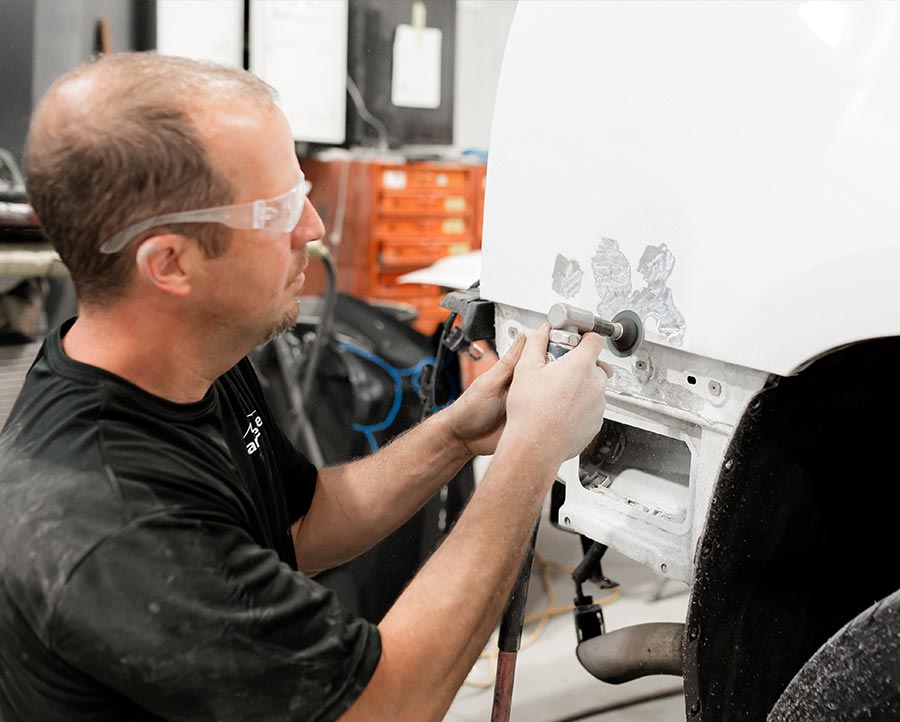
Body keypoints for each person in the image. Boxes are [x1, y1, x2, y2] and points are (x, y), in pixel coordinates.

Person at [0, 52, 611, 722]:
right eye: (280, 209)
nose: (314, 229)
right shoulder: (112, 525)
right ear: (169, 263)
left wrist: (459, 434)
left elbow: (299, 523)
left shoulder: (191, 357)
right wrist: (530, 451)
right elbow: (389, 707)